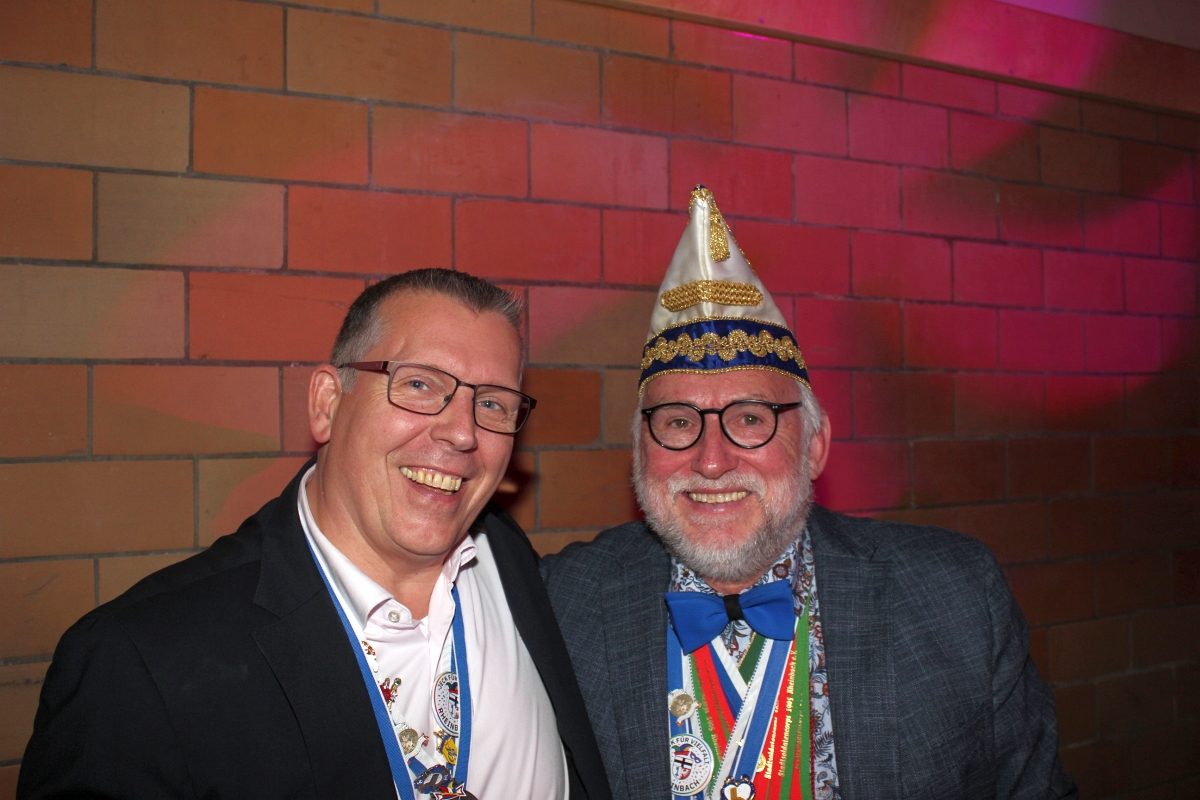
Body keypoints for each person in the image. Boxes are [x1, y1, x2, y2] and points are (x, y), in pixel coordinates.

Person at [541, 187, 1077, 800]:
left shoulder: (954, 597)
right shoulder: (563, 604)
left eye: (750, 419)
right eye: (679, 422)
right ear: (639, 452)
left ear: (815, 445)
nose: (711, 461)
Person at [20, 269, 612, 800]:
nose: (462, 433)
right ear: (328, 403)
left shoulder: (509, 559)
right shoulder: (139, 664)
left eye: (493, 403)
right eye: (419, 385)